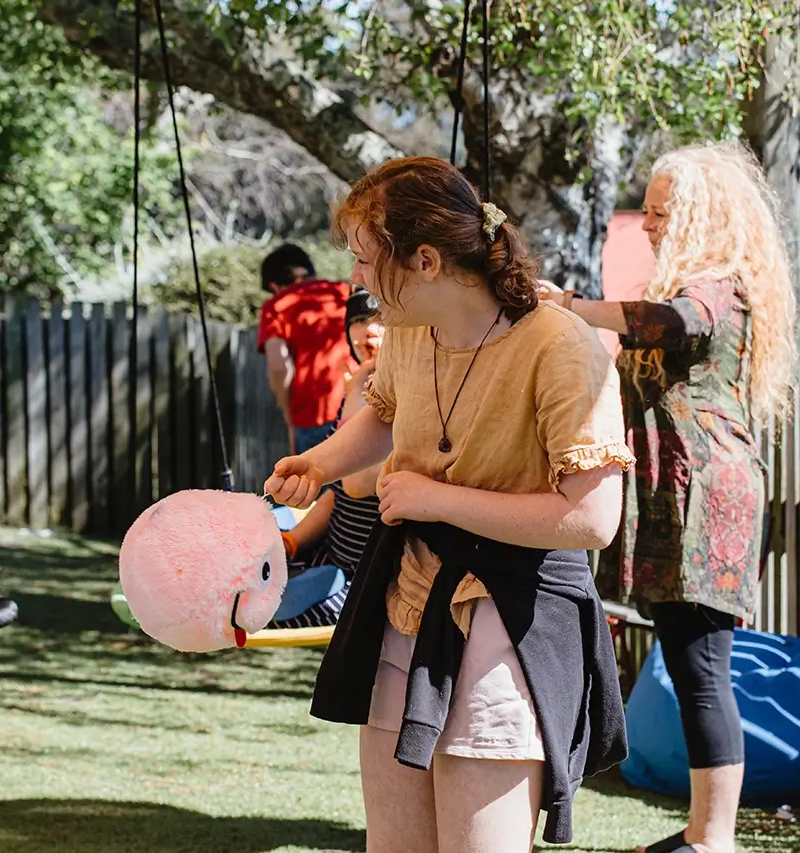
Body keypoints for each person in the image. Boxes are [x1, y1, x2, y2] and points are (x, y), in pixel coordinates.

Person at [264, 156, 634, 852]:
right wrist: (319, 463)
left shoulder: (561, 347)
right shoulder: (407, 331)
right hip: (407, 603)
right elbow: (381, 413)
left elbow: (592, 519)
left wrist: (436, 498)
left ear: (426, 260)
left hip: (510, 616)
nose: (359, 281)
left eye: (369, 261)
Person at [537, 140, 799, 853]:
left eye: (660, 212)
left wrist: (574, 304)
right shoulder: (693, 283)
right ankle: (701, 833)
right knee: (689, 663)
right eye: (646, 210)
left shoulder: (720, 284)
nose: (647, 223)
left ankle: (713, 841)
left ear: (699, 215)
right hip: (675, 494)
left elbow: (673, 322)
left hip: (709, 496)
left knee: (702, 668)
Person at [269, 288, 385, 629]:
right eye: (359, 321)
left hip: (368, 578)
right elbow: (337, 494)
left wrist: (356, 391)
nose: (368, 331)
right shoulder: (356, 390)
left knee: (276, 607)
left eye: (379, 321)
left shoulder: (399, 394)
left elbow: (358, 483)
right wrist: (293, 542)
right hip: (331, 556)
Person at [256, 243, 354, 454]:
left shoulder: (276, 306)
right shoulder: (345, 293)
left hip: (313, 416)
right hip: (360, 407)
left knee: (314, 485)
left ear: (274, 285)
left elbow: (278, 365)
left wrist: (289, 415)